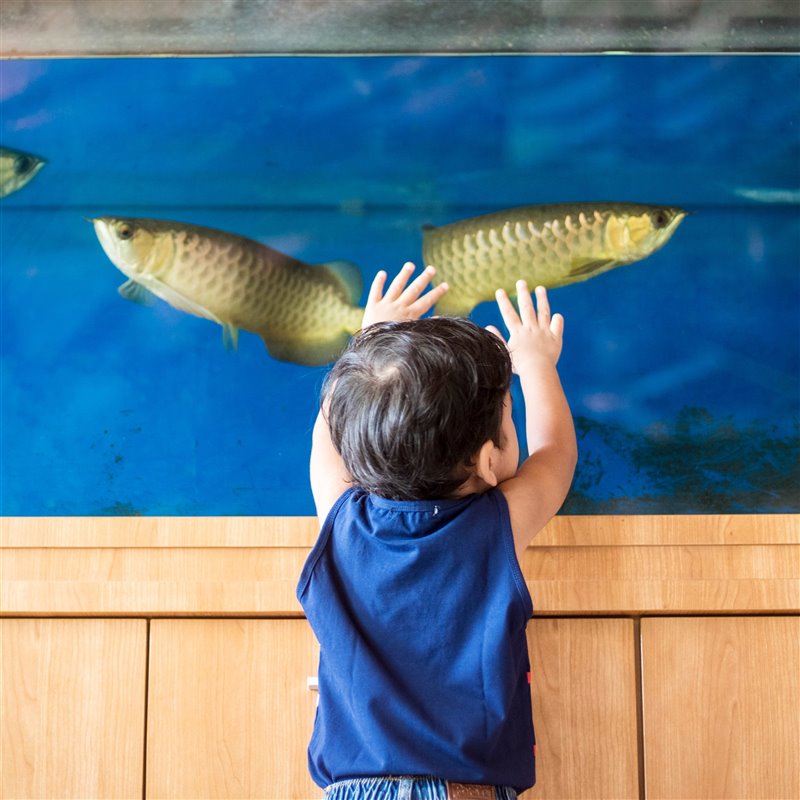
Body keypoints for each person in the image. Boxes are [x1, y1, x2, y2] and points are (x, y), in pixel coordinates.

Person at [297, 262, 577, 800]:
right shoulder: (496, 524)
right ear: (488, 460)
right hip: (464, 789)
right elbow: (556, 456)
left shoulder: (342, 521)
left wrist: (371, 341)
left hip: (354, 789)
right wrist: (537, 365)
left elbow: (326, 441)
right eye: (508, 420)